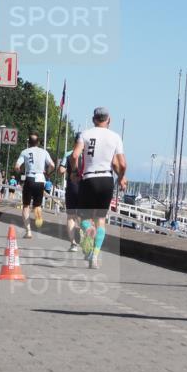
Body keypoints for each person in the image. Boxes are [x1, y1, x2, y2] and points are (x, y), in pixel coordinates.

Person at [70, 107, 126, 269]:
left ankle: (89, 233)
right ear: (109, 120)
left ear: (94, 119)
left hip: (89, 179)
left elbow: (74, 155)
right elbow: (120, 164)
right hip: (107, 179)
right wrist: (121, 178)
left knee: (84, 219)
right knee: (101, 220)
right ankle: (95, 254)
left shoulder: (85, 134)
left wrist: (74, 171)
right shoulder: (115, 137)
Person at [14, 133, 55, 239]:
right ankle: (38, 217)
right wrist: (48, 173)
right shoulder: (44, 152)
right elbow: (52, 165)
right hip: (41, 178)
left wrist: (21, 172)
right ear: (38, 142)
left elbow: (17, 166)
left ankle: (28, 231)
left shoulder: (25, 152)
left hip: (30, 178)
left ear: (29, 142)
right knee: (37, 205)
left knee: (26, 205)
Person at [58, 133, 83, 251]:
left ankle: (73, 243)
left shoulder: (68, 154)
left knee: (71, 216)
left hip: (72, 186)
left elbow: (61, 170)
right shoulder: (87, 156)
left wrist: (68, 168)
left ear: (74, 143)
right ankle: (84, 237)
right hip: (85, 187)